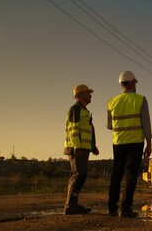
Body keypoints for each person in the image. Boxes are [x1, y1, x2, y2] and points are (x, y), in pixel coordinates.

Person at [107, 71, 152, 218]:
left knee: (116, 174)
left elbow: (109, 125)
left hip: (118, 142)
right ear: (132, 82)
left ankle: (112, 208)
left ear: (122, 84)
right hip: (135, 142)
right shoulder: (140, 99)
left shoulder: (111, 101)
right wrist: (149, 143)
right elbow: (146, 124)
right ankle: (125, 209)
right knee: (131, 175)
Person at [63, 84, 99, 215]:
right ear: (79, 95)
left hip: (84, 148)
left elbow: (89, 130)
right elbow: (73, 129)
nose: (90, 96)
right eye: (87, 93)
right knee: (79, 175)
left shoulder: (85, 111)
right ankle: (70, 206)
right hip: (77, 148)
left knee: (79, 175)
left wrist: (92, 146)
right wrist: (77, 146)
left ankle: (72, 205)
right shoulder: (75, 109)